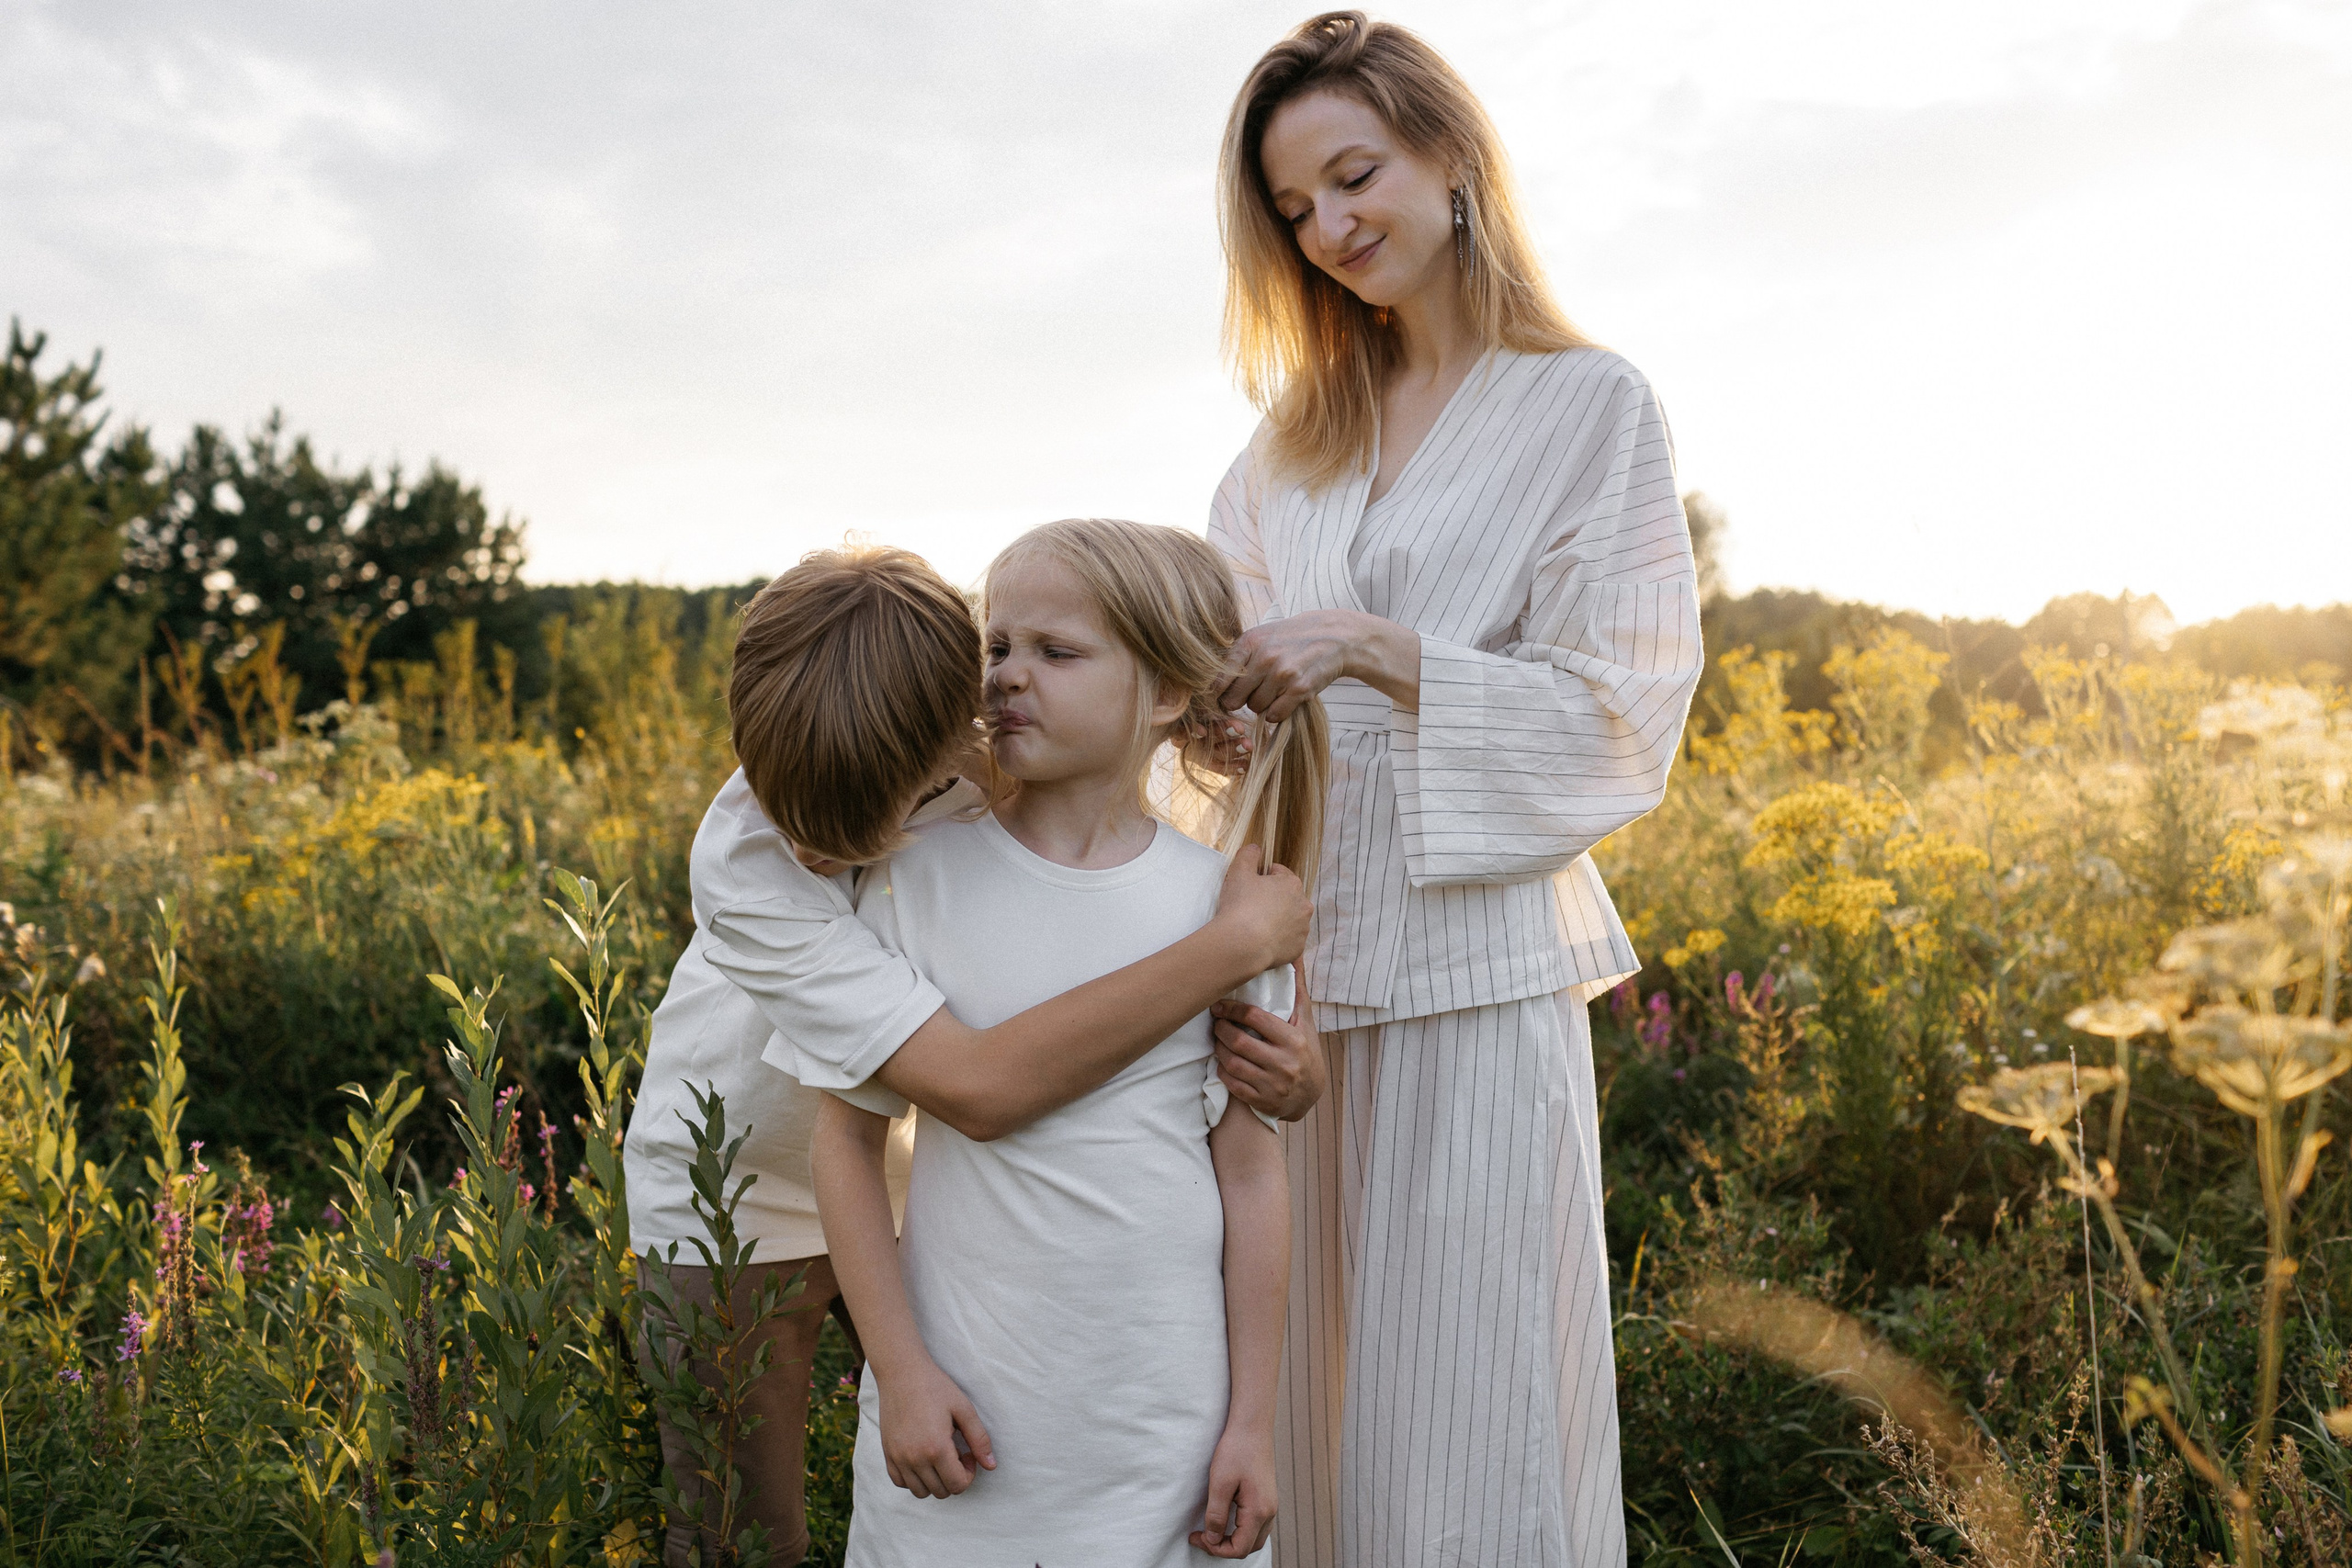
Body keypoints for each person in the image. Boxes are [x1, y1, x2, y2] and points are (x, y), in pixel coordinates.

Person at [1205, 14, 1707, 1566]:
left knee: (1471, 1419)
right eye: (1294, 211)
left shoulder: (1590, 406)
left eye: (1352, 176)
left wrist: (1373, 644)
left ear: (1451, 155)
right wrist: (1211, 723)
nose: (1331, 228)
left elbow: (1626, 709)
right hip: (1291, 986)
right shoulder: (1278, 454)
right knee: (1293, 1412)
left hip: (1479, 978)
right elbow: (1214, 706)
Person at [622, 544, 1317, 1566]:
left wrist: (1290, 1064)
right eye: (807, 833)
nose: (824, 858)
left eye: (860, 832)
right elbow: (983, 1087)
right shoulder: (746, 861)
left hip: (942, 1188)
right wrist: (1235, 947)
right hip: (732, 1183)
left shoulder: (997, 731)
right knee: (735, 1530)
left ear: (957, 722)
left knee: (974, 1482)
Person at [814, 519, 1329, 1565]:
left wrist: (1250, 1428)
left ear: (1168, 694)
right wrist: (898, 1372)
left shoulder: (1223, 904)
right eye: (996, 646)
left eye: (1056, 653)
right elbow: (845, 1144)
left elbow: (1252, 1178)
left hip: (1160, 1447)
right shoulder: (916, 876)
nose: (1007, 677)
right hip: (958, 1433)